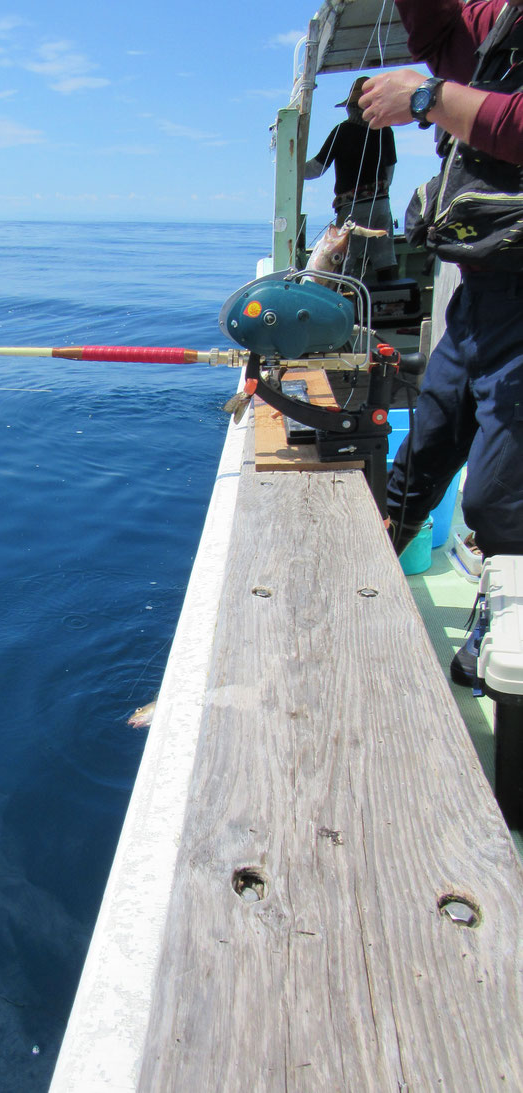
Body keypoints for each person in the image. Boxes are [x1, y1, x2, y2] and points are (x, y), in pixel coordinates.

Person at [360, 0, 523, 686]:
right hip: (481, 292)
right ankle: (364, 587)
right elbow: (445, 34)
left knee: (496, 498)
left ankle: (503, 616)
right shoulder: (498, 18)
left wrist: (426, 98)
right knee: (420, 458)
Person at [304, 75, 399, 281]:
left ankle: (347, 306)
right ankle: (390, 303)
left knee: (344, 263)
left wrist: (293, 169)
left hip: (352, 210)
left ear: (351, 107)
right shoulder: (386, 131)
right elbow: (390, 171)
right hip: (381, 204)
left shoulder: (343, 131)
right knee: (385, 259)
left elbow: (316, 169)